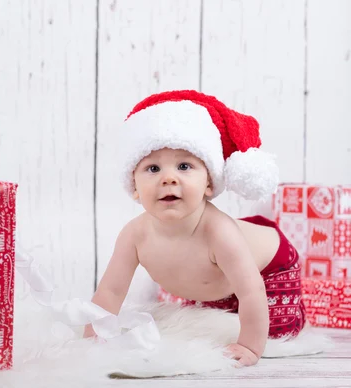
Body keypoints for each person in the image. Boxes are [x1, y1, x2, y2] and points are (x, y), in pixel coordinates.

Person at [84, 90, 306, 367]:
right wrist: (92, 337)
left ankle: (286, 317)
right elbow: (111, 292)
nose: (168, 178)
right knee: (201, 327)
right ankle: (225, 304)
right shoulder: (134, 235)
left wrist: (249, 346)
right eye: (152, 169)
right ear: (134, 188)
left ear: (209, 184)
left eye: (184, 166)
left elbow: (251, 291)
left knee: (277, 331)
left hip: (270, 266)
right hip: (217, 281)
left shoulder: (219, 232)